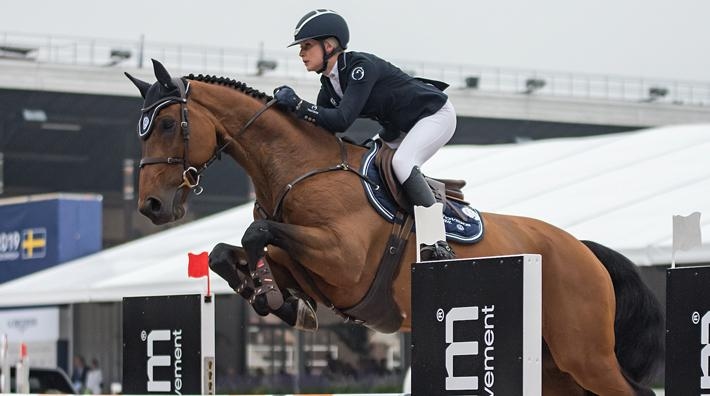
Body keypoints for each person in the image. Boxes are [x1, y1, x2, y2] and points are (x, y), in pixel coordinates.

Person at [273, 9, 457, 260]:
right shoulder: (328, 85)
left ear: (328, 46)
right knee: (365, 162)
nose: (301, 53)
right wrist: (285, 116)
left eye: (307, 46)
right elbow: (324, 130)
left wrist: (298, 104)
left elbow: (342, 119)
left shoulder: (360, 68)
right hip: (400, 128)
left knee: (402, 162)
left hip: (434, 115)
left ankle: (437, 241)